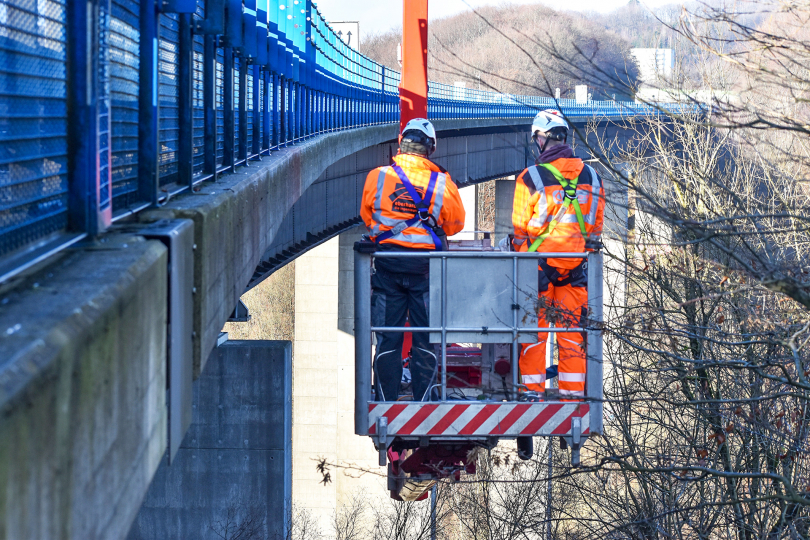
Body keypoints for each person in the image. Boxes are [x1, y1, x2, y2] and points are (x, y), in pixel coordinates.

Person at [360, 118, 465, 402]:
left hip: (387, 269)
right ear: (430, 148)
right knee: (426, 340)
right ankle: (425, 400)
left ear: (401, 142)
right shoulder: (443, 183)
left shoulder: (378, 176)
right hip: (425, 272)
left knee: (387, 338)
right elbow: (455, 224)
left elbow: (368, 217)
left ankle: (384, 400)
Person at [511, 109, 605, 400]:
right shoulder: (592, 177)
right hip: (576, 272)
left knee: (534, 337)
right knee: (573, 339)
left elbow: (519, 232)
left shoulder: (530, 178)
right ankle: (573, 398)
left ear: (541, 139)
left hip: (536, 271)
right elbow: (595, 232)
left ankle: (531, 394)